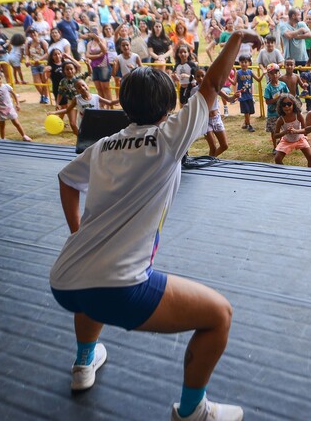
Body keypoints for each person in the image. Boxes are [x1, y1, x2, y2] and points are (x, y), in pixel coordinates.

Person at [49, 29, 261, 421]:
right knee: (219, 316)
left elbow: (65, 179)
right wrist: (237, 38)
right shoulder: (169, 137)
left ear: (126, 106)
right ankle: (194, 410)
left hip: (64, 280)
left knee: (93, 284)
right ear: (169, 107)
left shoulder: (101, 147)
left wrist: (78, 234)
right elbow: (212, 82)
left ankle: (83, 363)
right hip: (117, 288)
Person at [273, 93, 311, 166]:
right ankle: (285, 173)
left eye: (289, 104)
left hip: (299, 139)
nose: (287, 106)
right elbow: (275, 135)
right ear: (281, 107)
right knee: (277, 159)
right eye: (284, 105)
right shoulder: (280, 120)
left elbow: (305, 131)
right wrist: (285, 132)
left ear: (294, 104)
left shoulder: (298, 115)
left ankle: (310, 174)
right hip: (286, 141)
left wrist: (296, 131)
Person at [0, 70, 31, 141]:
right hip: (0, 110)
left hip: (9, 108)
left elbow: (14, 94)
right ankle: (2, 138)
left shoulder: (6, 86)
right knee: (2, 125)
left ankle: (24, 135)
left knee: (16, 122)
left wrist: (17, 103)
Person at [263, 63, 290, 151]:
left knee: (284, 128)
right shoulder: (268, 88)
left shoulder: (283, 85)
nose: (274, 75)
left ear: (279, 73)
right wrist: (277, 98)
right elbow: (267, 102)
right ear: (268, 75)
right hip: (272, 113)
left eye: (276, 72)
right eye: (272, 73)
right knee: (273, 131)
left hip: (282, 112)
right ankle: (275, 147)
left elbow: (288, 95)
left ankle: (283, 143)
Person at [235, 56, 260, 132]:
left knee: (250, 111)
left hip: (249, 95)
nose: (244, 64)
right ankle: (249, 125)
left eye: (245, 62)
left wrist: (264, 73)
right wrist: (228, 77)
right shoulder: (238, 72)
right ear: (239, 63)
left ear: (249, 63)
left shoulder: (250, 72)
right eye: (242, 62)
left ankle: (246, 123)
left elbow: (258, 80)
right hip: (242, 95)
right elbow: (233, 82)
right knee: (246, 111)